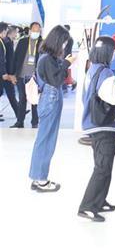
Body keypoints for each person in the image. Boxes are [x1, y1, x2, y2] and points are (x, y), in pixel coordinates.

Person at [78, 36, 115, 222]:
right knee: (102, 167)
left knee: (104, 166)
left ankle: (99, 201)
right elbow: (114, 97)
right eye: (114, 50)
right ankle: (87, 207)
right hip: (103, 126)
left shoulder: (92, 69)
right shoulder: (106, 72)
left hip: (94, 124)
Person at [28, 25, 74, 192]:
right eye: (63, 42)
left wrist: (64, 63)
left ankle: (37, 177)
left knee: (44, 139)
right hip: (50, 99)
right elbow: (57, 80)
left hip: (50, 98)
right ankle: (41, 180)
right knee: (47, 140)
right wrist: (67, 63)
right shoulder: (47, 59)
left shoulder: (48, 57)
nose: (64, 45)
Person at [13, 21, 43, 128]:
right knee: (22, 99)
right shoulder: (22, 42)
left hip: (35, 77)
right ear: (30, 31)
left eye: (38, 30)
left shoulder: (43, 43)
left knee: (34, 100)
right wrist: (13, 74)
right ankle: (19, 121)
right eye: (34, 30)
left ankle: (34, 122)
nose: (36, 32)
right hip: (21, 75)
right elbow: (15, 58)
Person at [0, 22, 19, 121]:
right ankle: (19, 112)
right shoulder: (4, 42)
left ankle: (19, 111)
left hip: (5, 72)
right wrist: (5, 73)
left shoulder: (4, 42)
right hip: (4, 72)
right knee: (10, 93)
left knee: (9, 92)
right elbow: (2, 60)